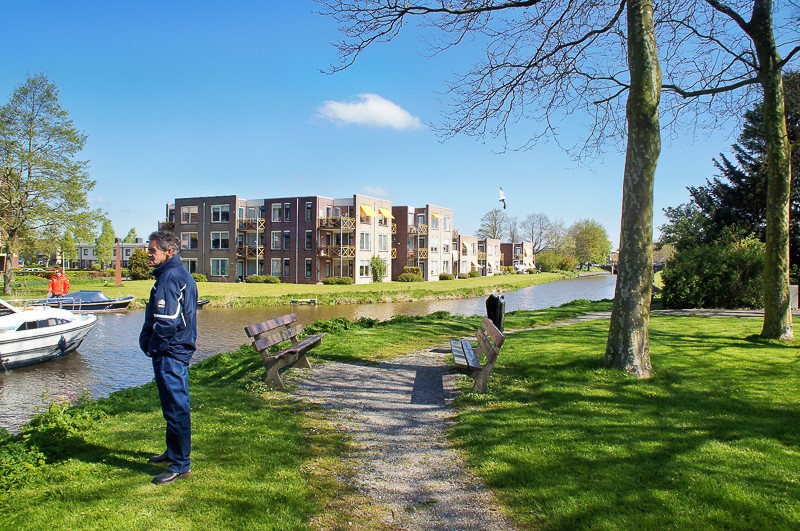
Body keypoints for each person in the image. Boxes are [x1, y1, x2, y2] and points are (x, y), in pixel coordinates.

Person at [139, 231, 198, 485]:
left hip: (170, 352)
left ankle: (180, 464)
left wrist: (152, 346)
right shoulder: (179, 274)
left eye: (153, 250)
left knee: (176, 408)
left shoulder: (170, 278)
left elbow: (166, 322)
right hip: (175, 350)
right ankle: (173, 452)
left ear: (168, 252)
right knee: (172, 406)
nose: (148, 254)